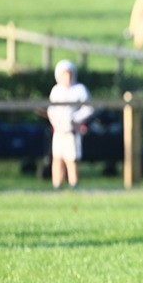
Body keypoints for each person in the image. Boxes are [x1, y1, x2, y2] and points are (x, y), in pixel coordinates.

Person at [47, 60, 94, 190]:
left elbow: (88, 109)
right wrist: (56, 122)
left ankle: (74, 183)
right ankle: (57, 184)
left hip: (72, 131)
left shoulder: (80, 90)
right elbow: (51, 110)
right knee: (57, 158)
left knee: (71, 159)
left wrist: (75, 119)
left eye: (69, 74)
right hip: (59, 130)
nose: (67, 78)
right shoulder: (56, 91)